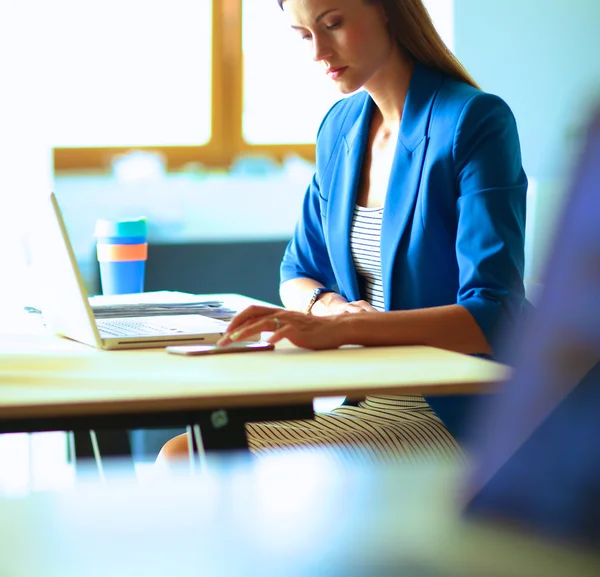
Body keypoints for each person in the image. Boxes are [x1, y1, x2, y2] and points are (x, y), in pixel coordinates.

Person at [157, 0, 528, 465]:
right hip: (367, 396)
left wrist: (349, 328)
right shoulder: (341, 126)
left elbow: (495, 313)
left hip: (454, 413)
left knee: (187, 457)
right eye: (303, 34)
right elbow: (296, 272)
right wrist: (327, 309)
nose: (318, 52)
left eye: (332, 24)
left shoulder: (473, 121)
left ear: (389, 11)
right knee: (193, 450)